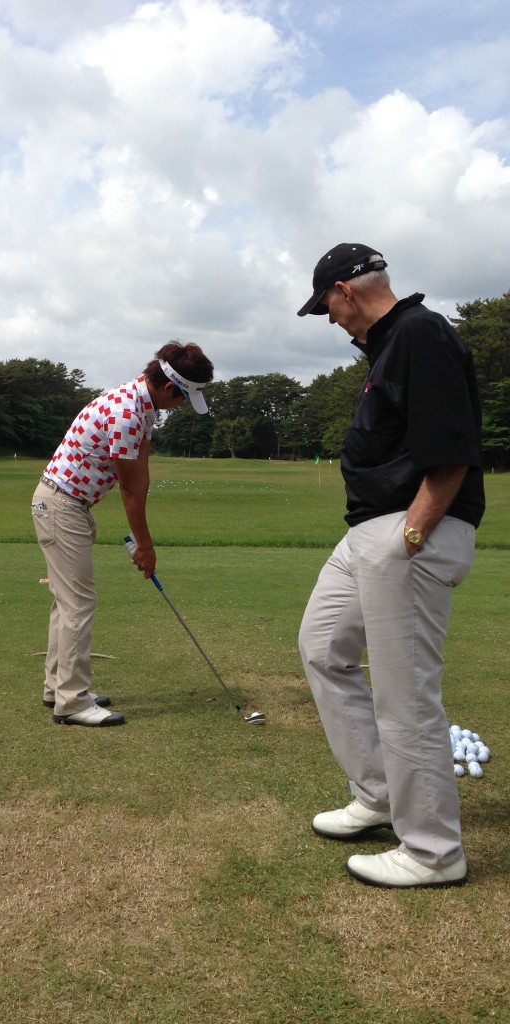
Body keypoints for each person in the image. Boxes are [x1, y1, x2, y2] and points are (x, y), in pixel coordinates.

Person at [296, 243, 485, 889]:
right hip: (371, 535)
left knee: (404, 698)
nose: (329, 320)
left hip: (411, 531)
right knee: (323, 647)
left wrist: (410, 536)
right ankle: (378, 794)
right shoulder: (390, 345)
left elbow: (453, 451)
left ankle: (433, 850)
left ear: (345, 291)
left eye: (325, 306)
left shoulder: (419, 333)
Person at [31, 341, 214, 728]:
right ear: (169, 388)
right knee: (78, 604)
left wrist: (144, 540)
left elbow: (140, 475)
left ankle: (58, 688)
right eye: (184, 399)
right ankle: (72, 701)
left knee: (68, 604)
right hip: (61, 504)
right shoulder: (128, 412)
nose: (183, 406)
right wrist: (144, 545)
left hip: (68, 504)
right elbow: (129, 490)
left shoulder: (142, 405)